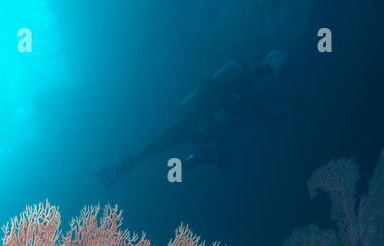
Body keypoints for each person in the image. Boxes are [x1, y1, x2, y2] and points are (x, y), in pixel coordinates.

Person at [98, 50, 296, 186]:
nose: (267, 82)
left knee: (220, 159)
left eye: (271, 79)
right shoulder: (239, 73)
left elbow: (264, 119)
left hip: (211, 131)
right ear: (265, 69)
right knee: (163, 143)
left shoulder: (255, 98)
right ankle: (128, 164)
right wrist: (215, 112)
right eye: (268, 75)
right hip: (196, 119)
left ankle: (188, 161)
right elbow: (208, 86)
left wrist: (284, 112)